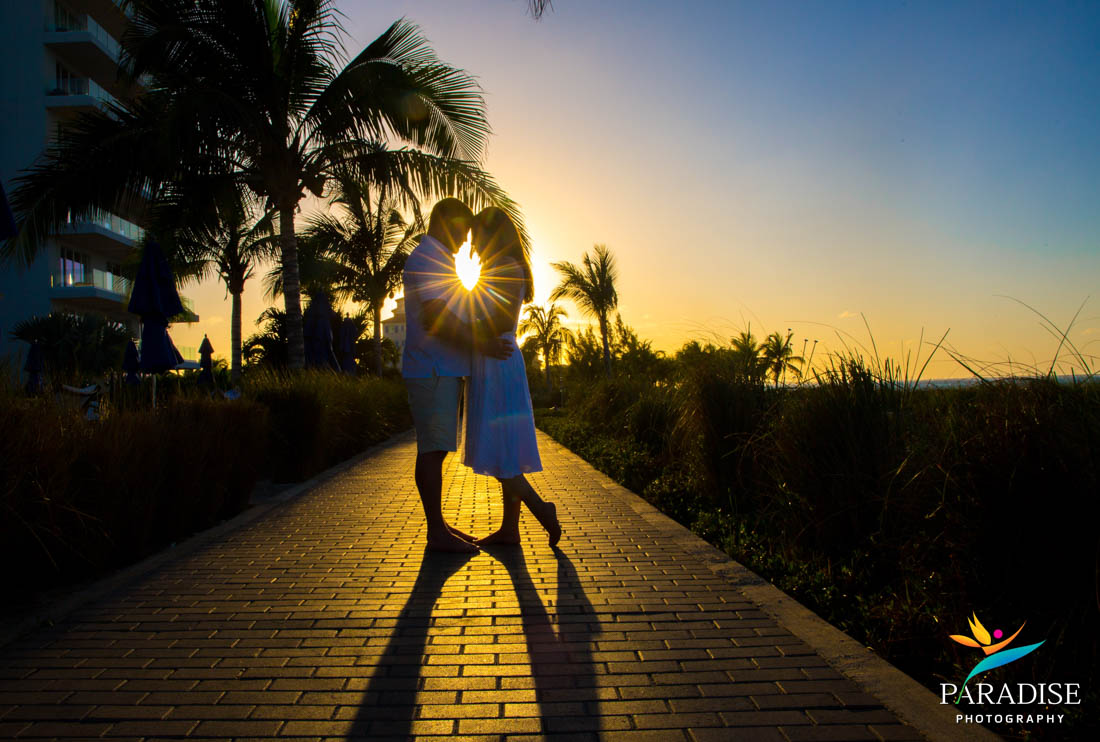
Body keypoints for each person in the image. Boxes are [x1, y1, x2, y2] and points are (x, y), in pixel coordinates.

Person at [402, 198, 513, 553]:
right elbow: (441, 318)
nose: (466, 241)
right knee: (433, 451)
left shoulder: (437, 260)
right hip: (433, 369)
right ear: (445, 224)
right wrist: (482, 344)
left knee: (437, 450)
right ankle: (436, 532)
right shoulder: (427, 259)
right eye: (463, 231)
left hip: (441, 369)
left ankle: (439, 525)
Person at [463, 207, 561, 547]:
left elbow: (500, 321)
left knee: (502, 452)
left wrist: (466, 333)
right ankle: (509, 530)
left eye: (478, 235)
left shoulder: (505, 268)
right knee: (503, 449)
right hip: (494, 357)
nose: (474, 242)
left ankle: (542, 510)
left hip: (497, 359)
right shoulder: (500, 267)